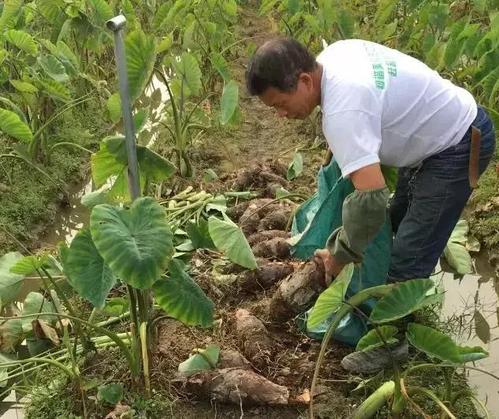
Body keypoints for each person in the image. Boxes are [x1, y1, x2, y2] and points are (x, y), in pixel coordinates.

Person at [245, 37, 496, 372]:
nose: (280, 114)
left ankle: (391, 344)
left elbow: (371, 199)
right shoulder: (331, 59)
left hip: (456, 145)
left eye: (281, 103)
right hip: (428, 137)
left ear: (305, 80)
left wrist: (339, 254)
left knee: (409, 254)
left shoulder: (343, 111)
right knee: (391, 227)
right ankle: (386, 308)